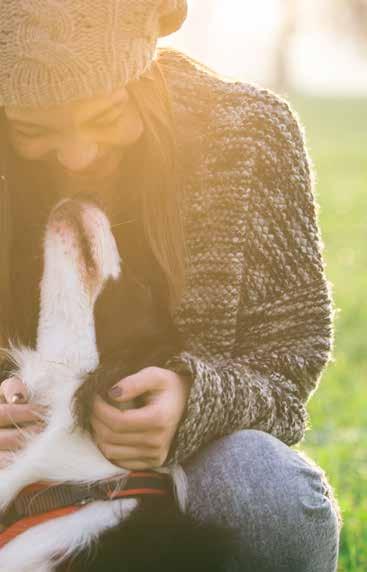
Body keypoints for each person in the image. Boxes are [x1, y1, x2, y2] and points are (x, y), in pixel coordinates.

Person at [0, 1, 342, 570]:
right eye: (32, 130)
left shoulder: (247, 132)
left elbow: (291, 353)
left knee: (264, 488)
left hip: (182, 468)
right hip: (20, 464)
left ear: (145, 70)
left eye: (106, 118)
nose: (77, 155)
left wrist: (193, 401)